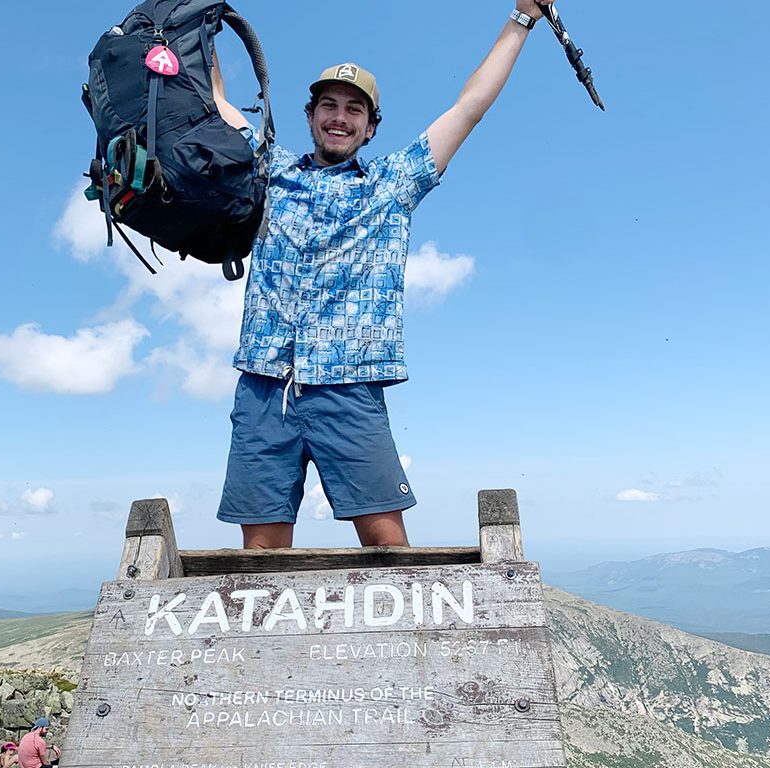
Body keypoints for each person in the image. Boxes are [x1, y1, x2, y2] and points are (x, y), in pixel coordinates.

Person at [211, 0, 555, 549]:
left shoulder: (390, 185)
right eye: (328, 105)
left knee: (387, 543)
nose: (339, 117)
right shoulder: (269, 169)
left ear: (371, 128)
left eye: (354, 110)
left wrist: (521, 19)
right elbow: (218, 104)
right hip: (263, 381)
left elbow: (469, 108)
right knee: (261, 553)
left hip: (350, 384)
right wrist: (198, 18)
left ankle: (403, 640)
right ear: (310, 116)